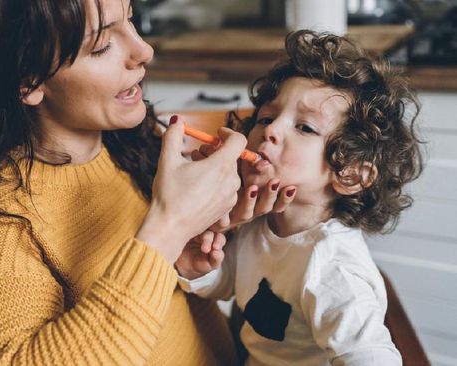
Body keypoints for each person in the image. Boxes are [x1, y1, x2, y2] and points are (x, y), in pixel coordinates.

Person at [0, 0, 295, 364]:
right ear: (28, 79)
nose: (144, 51)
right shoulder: (3, 214)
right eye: (102, 46)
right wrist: (169, 226)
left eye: (132, 20)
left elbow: (167, 290)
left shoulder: (132, 141)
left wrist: (209, 229)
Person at [175, 30, 423, 365]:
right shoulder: (258, 224)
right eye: (266, 117)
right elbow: (228, 283)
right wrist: (198, 267)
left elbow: (372, 356)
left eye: (304, 127)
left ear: (351, 175)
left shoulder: (333, 270)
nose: (271, 130)